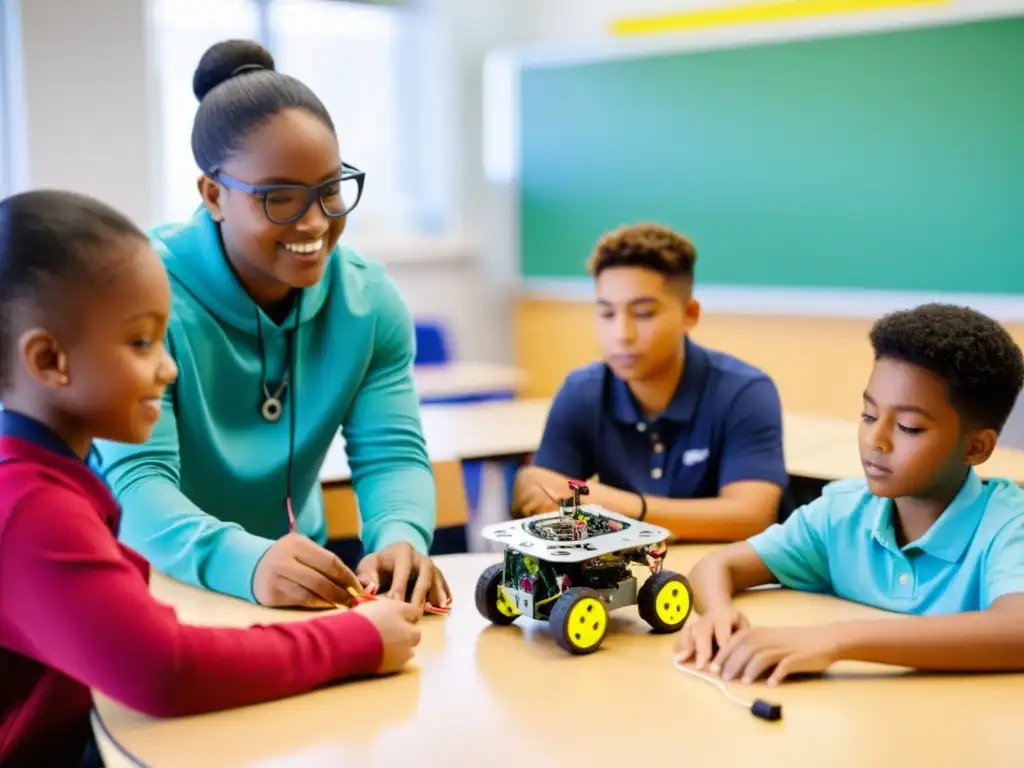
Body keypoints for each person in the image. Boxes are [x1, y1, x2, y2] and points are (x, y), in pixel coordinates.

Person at [0, 189, 423, 767]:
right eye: (141, 342)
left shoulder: (47, 485)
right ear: (49, 360)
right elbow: (164, 668)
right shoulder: (33, 511)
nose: (169, 366)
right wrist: (359, 641)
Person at [92, 40, 450, 611]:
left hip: (296, 582)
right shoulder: (139, 298)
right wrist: (248, 561)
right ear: (213, 194)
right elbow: (136, 486)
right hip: (155, 583)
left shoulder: (368, 300)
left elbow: (393, 455)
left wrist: (400, 538)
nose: (314, 222)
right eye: (279, 199)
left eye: (330, 190)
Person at [675, 303, 1024, 685]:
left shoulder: (1009, 527)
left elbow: (1017, 631)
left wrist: (837, 638)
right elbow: (717, 566)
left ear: (976, 448)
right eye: (869, 415)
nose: (876, 441)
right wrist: (717, 615)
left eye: (908, 427)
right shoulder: (841, 513)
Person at [512, 223, 787, 541]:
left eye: (642, 313)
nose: (621, 335)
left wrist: (623, 508)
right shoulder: (582, 391)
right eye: (606, 314)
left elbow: (752, 516)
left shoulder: (744, 392)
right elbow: (546, 485)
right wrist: (532, 486)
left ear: (690, 315)